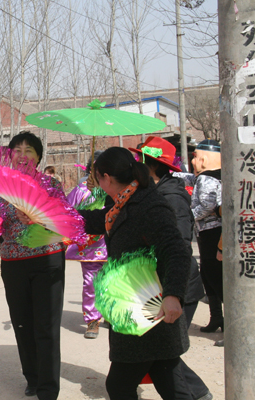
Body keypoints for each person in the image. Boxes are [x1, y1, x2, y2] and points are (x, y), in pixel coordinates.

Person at [76, 147, 191, 400]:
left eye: (97, 178)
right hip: (140, 307)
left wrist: (173, 295)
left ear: (106, 178)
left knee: (120, 386)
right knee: (169, 382)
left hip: (150, 307)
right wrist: (58, 216)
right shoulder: (122, 201)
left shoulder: (148, 206)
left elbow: (176, 251)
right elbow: (98, 219)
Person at [0, 131, 65, 400]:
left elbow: (64, 220)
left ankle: (48, 388)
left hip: (48, 261)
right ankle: (33, 378)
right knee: (22, 324)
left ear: (38, 157)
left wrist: (37, 218)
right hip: (13, 264)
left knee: (46, 327)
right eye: (17, 150)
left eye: (29, 150)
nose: (22, 155)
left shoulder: (51, 185)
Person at [131, 137, 212, 400]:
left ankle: (197, 394)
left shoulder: (172, 198)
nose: (135, 164)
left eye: (140, 159)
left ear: (152, 165)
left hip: (179, 287)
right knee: (163, 352)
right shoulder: (150, 193)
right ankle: (198, 393)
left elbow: (179, 247)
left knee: (163, 353)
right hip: (160, 285)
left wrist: (172, 292)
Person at [175, 139, 223, 334]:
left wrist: (187, 216)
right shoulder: (209, 176)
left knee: (213, 275)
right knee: (208, 275)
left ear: (204, 159)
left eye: (195, 157)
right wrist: (170, 172)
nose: (193, 162)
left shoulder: (206, 179)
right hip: (208, 233)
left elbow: (207, 206)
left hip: (213, 233)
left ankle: (228, 321)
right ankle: (216, 317)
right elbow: (187, 178)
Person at [65, 151, 108, 339]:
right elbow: (67, 213)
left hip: (113, 244)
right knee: (91, 283)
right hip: (90, 248)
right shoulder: (81, 191)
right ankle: (92, 319)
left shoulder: (114, 189)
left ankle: (109, 312)